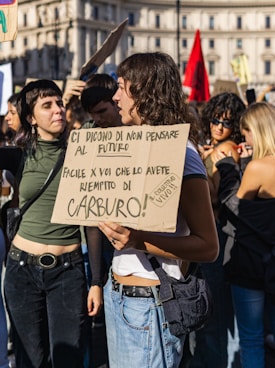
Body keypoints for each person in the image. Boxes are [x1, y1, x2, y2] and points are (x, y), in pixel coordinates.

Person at [86, 52, 219, 368]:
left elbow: (208, 246)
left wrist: (138, 240)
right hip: (120, 294)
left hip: (149, 305)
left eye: (121, 87)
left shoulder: (182, 155)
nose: (115, 96)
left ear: (145, 92)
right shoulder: (129, 147)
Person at [4, 79, 88, 368]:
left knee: (68, 360)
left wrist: (98, 281)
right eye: (47, 106)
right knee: (30, 362)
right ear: (30, 118)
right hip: (21, 271)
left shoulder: (83, 152)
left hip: (67, 273)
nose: (57, 111)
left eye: (60, 104)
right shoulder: (18, 154)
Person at [212, 101, 275, 368]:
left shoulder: (258, 168)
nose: (243, 138)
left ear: (256, 131)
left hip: (250, 264)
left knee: (250, 339)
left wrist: (227, 167)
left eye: (245, 132)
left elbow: (234, 206)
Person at [188, 92, 246, 368]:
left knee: (213, 312)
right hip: (211, 235)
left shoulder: (225, 150)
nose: (218, 127)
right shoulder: (214, 148)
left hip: (216, 235)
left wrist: (197, 165)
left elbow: (215, 198)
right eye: (213, 120)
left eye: (226, 123)